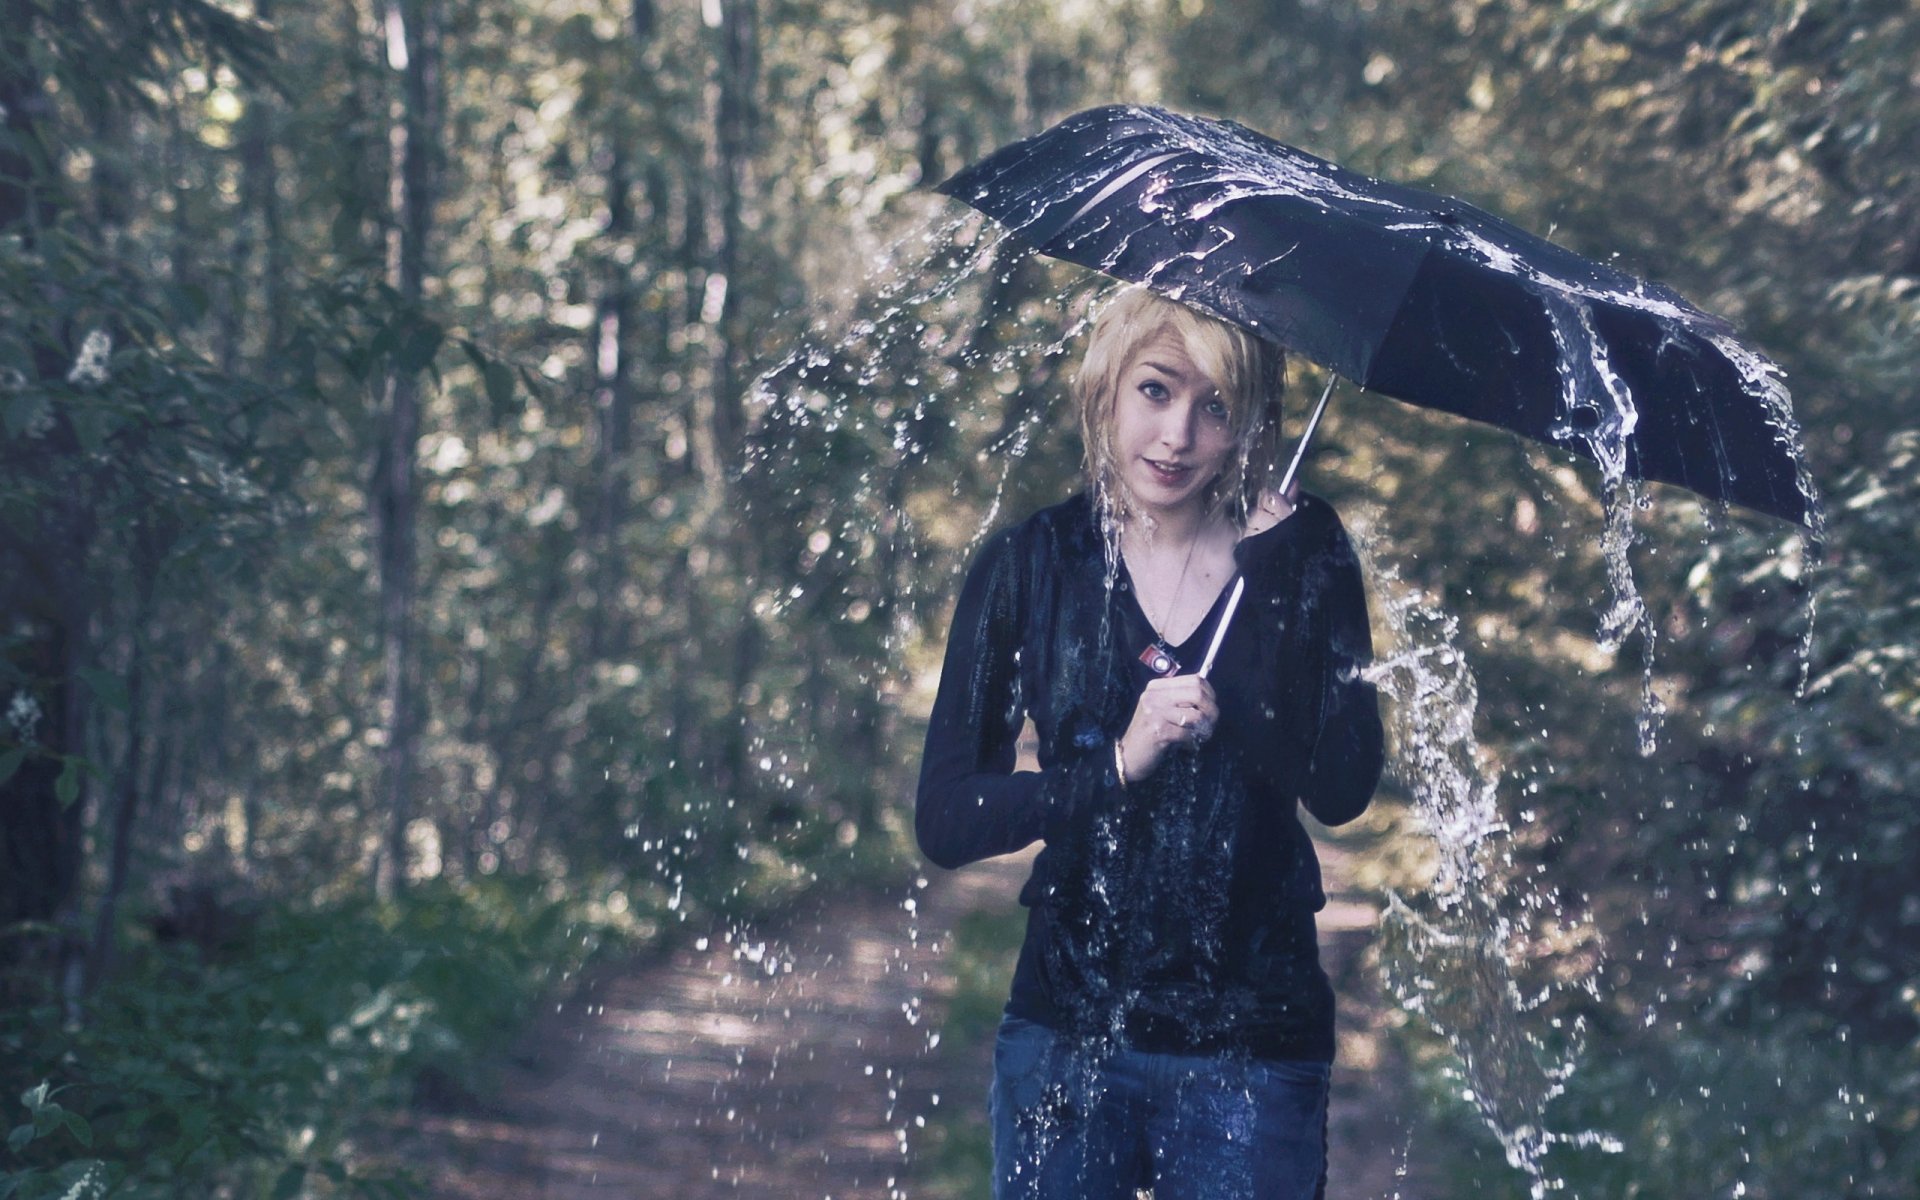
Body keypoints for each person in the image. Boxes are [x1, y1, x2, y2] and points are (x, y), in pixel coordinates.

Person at [915, 286, 1385, 1199]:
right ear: (1107, 390)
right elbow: (946, 817)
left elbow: (1341, 787)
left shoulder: (1304, 551)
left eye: (1216, 407)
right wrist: (1118, 764)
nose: (1178, 437)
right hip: (1067, 1036)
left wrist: (1276, 584)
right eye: (1157, 391)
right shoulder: (1034, 565)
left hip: (1254, 1046)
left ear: (1250, 418)